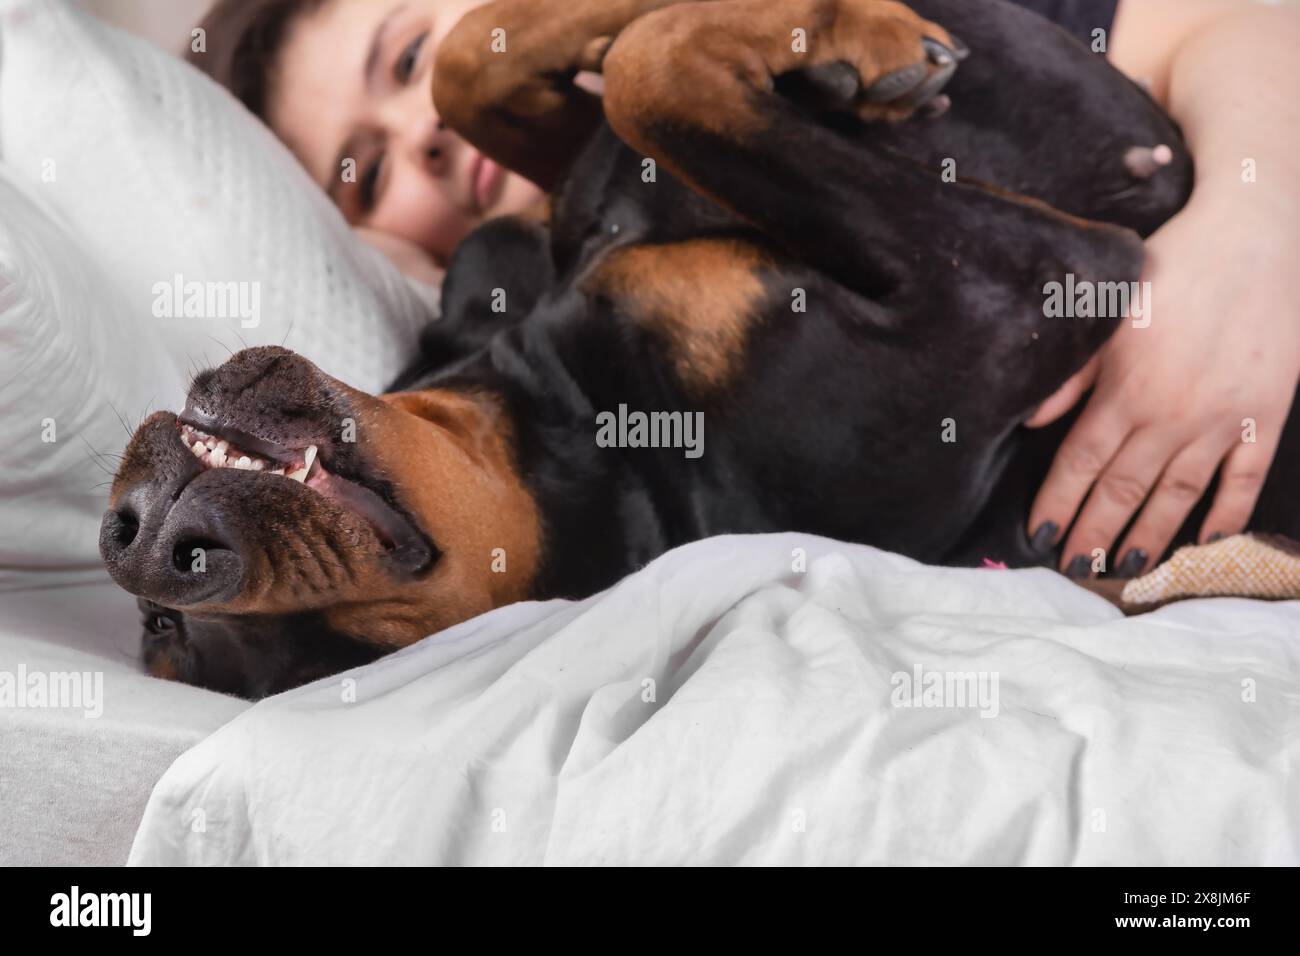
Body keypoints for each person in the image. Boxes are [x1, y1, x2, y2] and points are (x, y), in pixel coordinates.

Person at [189, 0, 1300, 579]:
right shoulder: (517, 335)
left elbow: (1240, 30)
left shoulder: (813, 36)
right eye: (365, 170)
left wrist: (1251, 241)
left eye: (407, 60)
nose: (424, 133)